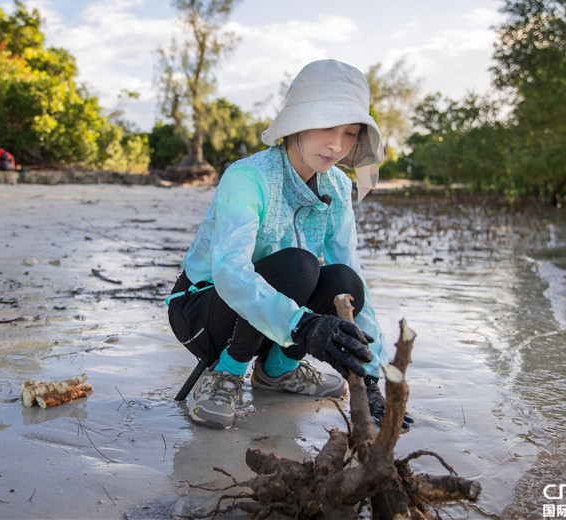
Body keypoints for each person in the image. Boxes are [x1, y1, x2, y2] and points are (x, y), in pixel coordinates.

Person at [167, 59, 413, 430]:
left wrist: (371, 375)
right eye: (327, 126)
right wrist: (305, 328)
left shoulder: (337, 188)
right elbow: (230, 271)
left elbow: (351, 271)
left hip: (273, 320)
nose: (336, 145)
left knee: (345, 281)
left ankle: (278, 370)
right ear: (297, 122)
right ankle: (225, 374)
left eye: (350, 133)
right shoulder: (248, 177)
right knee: (299, 265)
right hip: (203, 312)